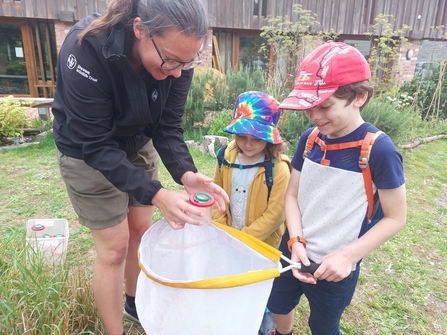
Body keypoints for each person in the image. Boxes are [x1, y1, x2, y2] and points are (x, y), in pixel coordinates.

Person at [51, 0, 229, 334]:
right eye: (170, 61)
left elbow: (168, 126)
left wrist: (187, 174)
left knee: (140, 231)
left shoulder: (178, 57)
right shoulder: (85, 48)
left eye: (187, 63)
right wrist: (158, 193)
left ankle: (135, 304)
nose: (177, 72)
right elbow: (98, 146)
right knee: (115, 247)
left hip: (136, 139)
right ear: (139, 29)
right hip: (86, 149)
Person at [266, 41, 407, 335]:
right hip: (293, 248)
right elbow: (292, 195)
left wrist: (347, 257)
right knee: (277, 303)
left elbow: (396, 217)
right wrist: (295, 241)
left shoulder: (380, 151)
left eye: (325, 106)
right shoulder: (309, 139)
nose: (315, 117)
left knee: (324, 324)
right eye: (309, 109)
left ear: (359, 96)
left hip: (337, 265)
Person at [212, 91, 291, 335]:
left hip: (261, 245)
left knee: (259, 285)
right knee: (234, 280)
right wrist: (223, 231)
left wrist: (244, 239)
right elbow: (218, 196)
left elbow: (275, 215)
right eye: (242, 136)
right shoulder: (226, 156)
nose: (248, 143)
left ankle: (261, 323)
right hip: (229, 237)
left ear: (271, 138)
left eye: (256, 137)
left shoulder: (279, 169)